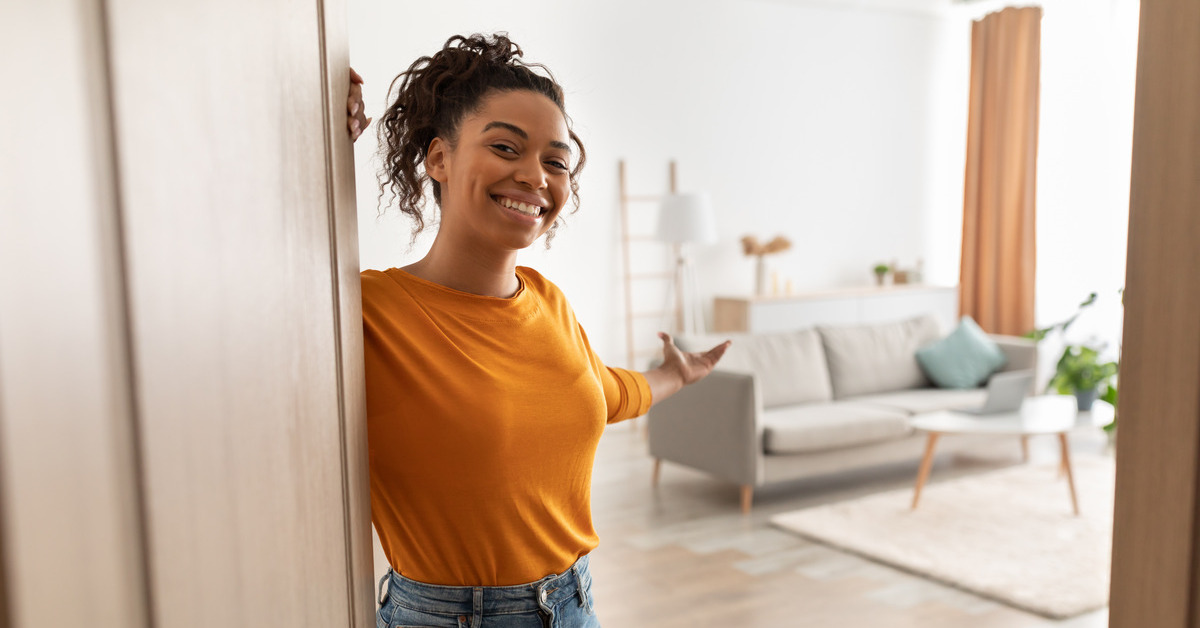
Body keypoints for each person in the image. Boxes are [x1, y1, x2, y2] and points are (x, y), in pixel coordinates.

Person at [347, 33, 730, 628]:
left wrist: (674, 375)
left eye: (556, 161)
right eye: (506, 147)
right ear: (439, 158)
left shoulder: (546, 300)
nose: (535, 176)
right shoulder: (367, 310)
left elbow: (601, 395)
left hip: (573, 604)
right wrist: (304, 121)